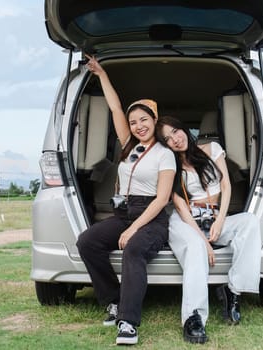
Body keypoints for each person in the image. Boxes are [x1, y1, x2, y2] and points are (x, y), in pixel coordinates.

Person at [76, 55, 176, 346]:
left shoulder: (164, 154)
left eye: (144, 119)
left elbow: (162, 199)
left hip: (152, 218)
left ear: (155, 120)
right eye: (133, 122)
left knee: (133, 249)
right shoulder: (128, 145)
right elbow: (115, 106)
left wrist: (133, 229)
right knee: (87, 242)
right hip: (124, 212)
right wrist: (101, 74)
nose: (138, 125)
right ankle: (114, 301)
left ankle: (128, 322)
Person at [156, 116, 261, 344]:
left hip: (214, 217)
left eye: (176, 131)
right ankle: (194, 318)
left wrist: (220, 220)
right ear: (164, 145)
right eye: (167, 139)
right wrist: (204, 243)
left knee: (250, 222)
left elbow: (225, 185)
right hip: (185, 220)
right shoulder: (169, 165)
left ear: (183, 129)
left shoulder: (212, 149)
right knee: (195, 247)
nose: (175, 139)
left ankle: (233, 290)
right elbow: (181, 206)